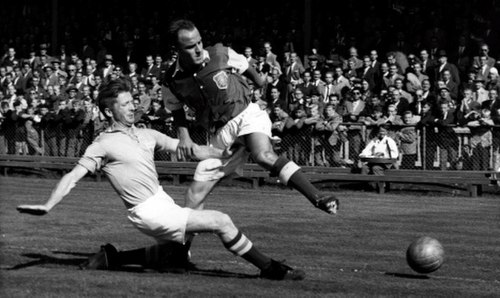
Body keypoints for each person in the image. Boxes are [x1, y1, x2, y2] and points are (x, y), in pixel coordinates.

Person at [16, 78, 304, 281]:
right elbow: (72, 177)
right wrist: (48, 204)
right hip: (147, 212)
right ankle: (270, 269)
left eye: (132, 102)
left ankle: (110, 258)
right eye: (126, 104)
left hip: (161, 202)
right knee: (221, 221)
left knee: (176, 256)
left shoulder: (146, 134)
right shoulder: (102, 144)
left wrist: (235, 148)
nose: (133, 107)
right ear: (108, 111)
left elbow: (191, 149)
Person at [161, 19, 339, 216]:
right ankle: (182, 245)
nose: (198, 49)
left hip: (246, 114)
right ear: (175, 48)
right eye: (190, 46)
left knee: (263, 155)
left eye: (199, 42)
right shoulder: (170, 80)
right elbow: (176, 109)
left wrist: (259, 85)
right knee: (195, 194)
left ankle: (318, 197)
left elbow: (250, 70)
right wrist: (184, 137)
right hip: (220, 135)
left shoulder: (220, 54)